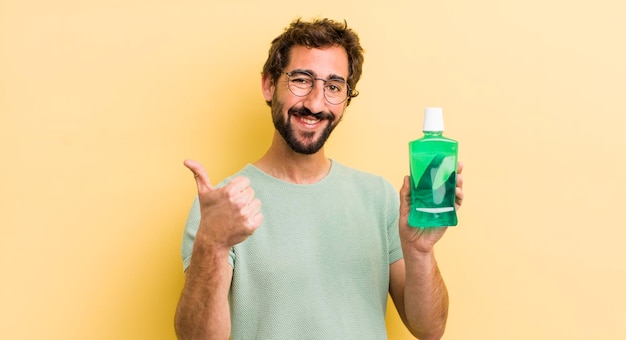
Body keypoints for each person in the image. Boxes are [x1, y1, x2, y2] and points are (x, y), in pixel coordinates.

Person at [174, 18, 464, 340]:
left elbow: (430, 330)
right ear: (269, 84)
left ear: (346, 100)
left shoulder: (380, 198)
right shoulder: (224, 207)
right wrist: (212, 245)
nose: (315, 103)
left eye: (334, 87)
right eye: (301, 80)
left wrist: (420, 251)